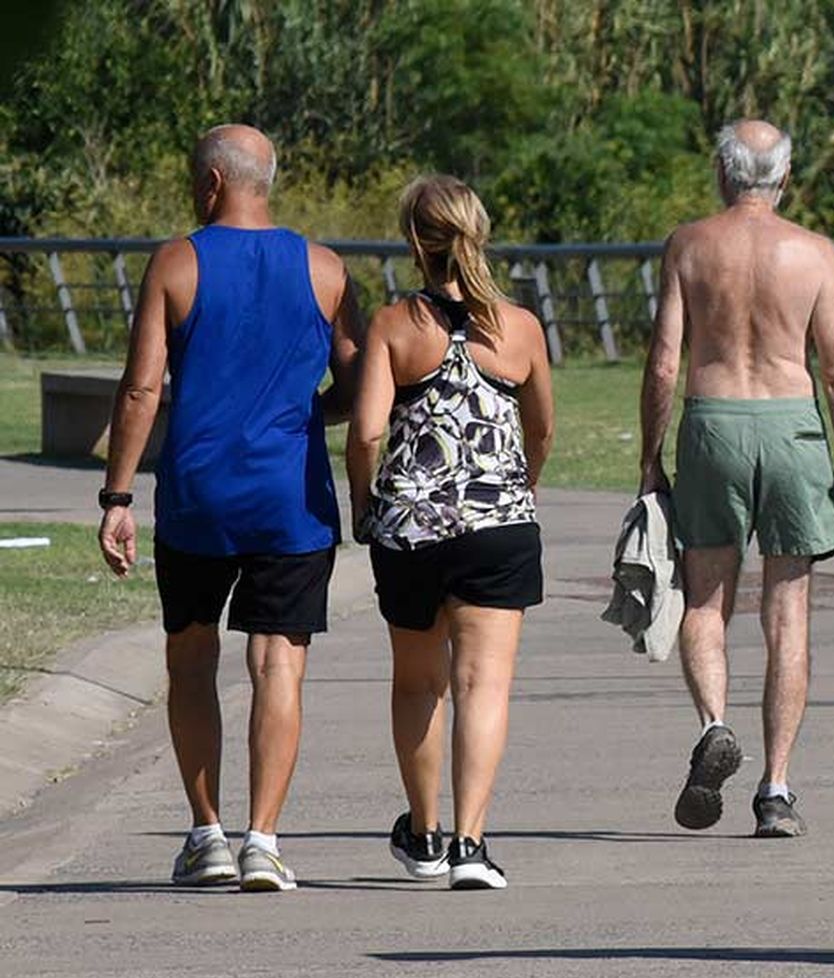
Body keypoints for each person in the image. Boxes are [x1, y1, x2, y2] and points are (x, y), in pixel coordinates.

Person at [98, 124, 363, 892]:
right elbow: (353, 383)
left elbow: (143, 389)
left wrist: (117, 497)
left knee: (191, 656)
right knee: (278, 663)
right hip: (291, 499)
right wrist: (305, 415)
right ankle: (264, 841)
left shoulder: (177, 262)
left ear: (211, 184)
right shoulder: (324, 268)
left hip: (197, 495)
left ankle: (206, 832)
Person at [639, 119, 834, 839]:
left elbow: (664, 364)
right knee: (788, 613)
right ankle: (775, 788)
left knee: (704, 599)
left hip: (712, 421)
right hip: (792, 425)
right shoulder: (815, 253)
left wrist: (651, 458)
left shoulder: (689, 245)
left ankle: (715, 725)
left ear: (722, 170)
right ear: (786, 175)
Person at [346, 175, 553, 890]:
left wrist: (362, 503)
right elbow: (542, 425)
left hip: (410, 528)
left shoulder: (393, 325)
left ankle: (424, 832)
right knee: (483, 685)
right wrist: (521, 486)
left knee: (418, 683)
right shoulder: (519, 327)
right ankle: (472, 843)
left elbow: (368, 429)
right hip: (498, 526)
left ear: (414, 242)